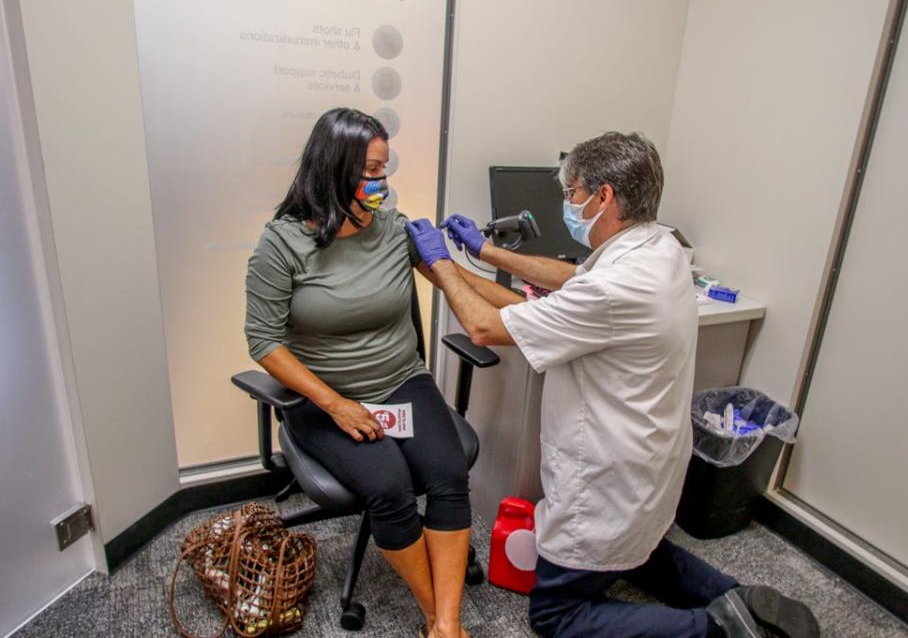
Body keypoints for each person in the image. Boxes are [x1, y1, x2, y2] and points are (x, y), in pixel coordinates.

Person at [405, 132, 820, 638]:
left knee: (557, 614)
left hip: (607, 476)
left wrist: (441, 265)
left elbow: (485, 328)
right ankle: (735, 596)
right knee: (635, 552)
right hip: (650, 461)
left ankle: (716, 631)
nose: (566, 203)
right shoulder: (660, 246)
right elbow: (569, 281)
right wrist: (486, 252)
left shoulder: (611, 289)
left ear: (603, 197)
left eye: (572, 191)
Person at [244, 108, 473, 638]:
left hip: (401, 381)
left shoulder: (394, 230)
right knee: (390, 487)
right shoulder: (281, 244)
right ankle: (434, 614)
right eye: (370, 172)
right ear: (333, 168)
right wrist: (336, 405)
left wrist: (479, 254)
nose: (381, 184)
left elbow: (460, 288)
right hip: (325, 397)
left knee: (448, 474)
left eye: (384, 170)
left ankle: (446, 625)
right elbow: (263, 342)